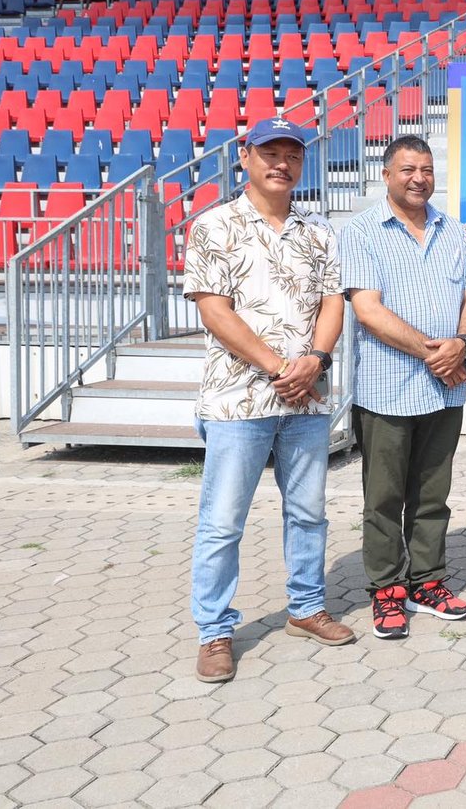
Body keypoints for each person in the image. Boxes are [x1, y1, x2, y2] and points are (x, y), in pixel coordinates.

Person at [184, 116, 352, 683]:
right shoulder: (214, 226)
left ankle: (307, 608)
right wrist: (281, 367)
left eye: (293, 155)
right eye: (270, 153)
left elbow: (333, 302)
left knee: (308, 514)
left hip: (306, 401)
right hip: (238, 401)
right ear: (245, 156)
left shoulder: (318, 230)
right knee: (223, 522)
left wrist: (317, 360)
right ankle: (214, 631)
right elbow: (214, 310)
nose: (282, 163)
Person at [339, 135, 466, 638]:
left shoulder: (452, 230)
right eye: (407, 170)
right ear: (386, 175)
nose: (419, 179)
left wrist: (462, 343)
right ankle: (386, 589)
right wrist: (437, 354)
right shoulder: (361, 231)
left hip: (444, 390)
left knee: (432, 494)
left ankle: (427, 581)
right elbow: (369, 311)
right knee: (383, 499)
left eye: (426, 169)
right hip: (388, 389)